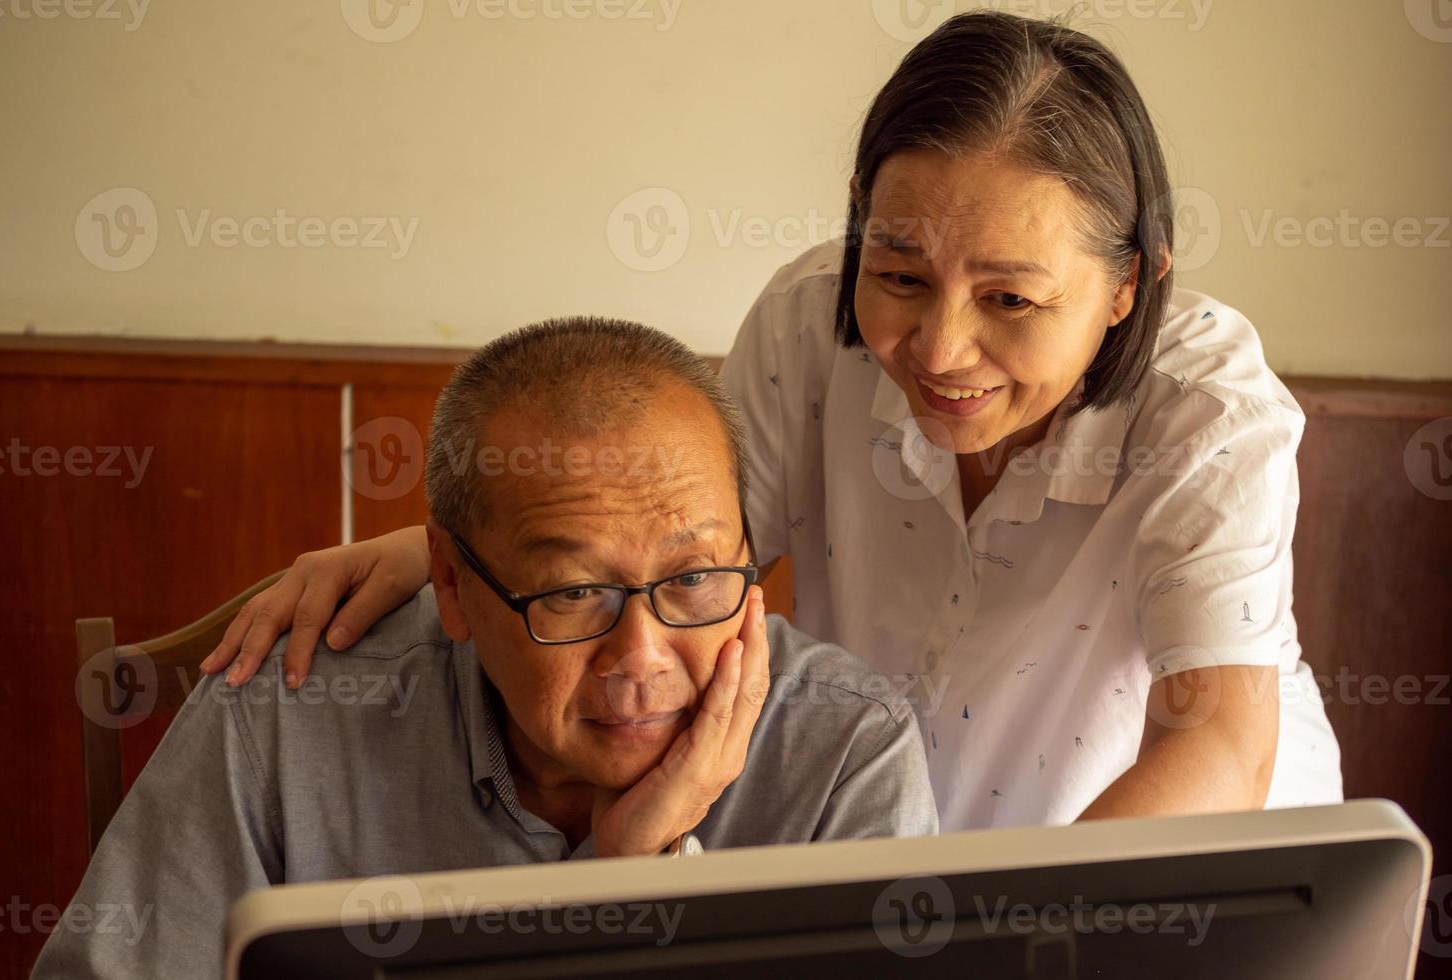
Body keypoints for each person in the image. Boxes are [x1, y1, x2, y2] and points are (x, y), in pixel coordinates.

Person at [201, 11, 1341, 832]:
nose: (940, 351)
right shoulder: (810, 318)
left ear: (1131, 284)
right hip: (893, 842)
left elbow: (1215, 743)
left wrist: (1016, 933)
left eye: (1010, 300)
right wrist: (448, 552)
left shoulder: (1210, 411)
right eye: (897, 274)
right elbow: (670, 551)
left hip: (1166, 879)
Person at [33, 318, 936, 979]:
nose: (644, 656)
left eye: (695, 580)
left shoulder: (844, 751)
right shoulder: (287, 703)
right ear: (454, 587)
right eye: (576, 593)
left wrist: (643, 873)